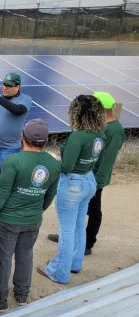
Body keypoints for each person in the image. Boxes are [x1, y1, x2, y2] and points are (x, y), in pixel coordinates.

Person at [0, 119, 60, 311]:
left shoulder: (14, 161)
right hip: (32, 220)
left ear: (22, 136)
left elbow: (2, 193)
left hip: (7, 220)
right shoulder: (54, 164)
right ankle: (22, 294)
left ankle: (0, 299)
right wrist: (38, 211)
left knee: (3, 258)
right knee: (25, 256)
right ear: (45, 141)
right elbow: (50, 194)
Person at [37, 95, 106, 284]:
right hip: (88, 181)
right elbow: (97, 161)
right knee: (78, 226)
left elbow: (66, 167)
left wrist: (56, 159)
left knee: (66, 230)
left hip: (72, 184)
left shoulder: (77, 136)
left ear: (78, 113)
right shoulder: (100, 134)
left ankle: (59, 272)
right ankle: (75, 263)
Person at [48, 92, 125, 256]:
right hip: (87, 176)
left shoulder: (113, 130)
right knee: (77, 215)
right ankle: (75, 243)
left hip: (92, 178)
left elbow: (106, 159)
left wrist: (97, 182)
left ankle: (87, 243)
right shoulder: (99, 128)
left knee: (94, 211)